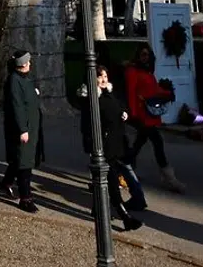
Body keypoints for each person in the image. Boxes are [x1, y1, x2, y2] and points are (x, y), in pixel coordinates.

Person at [71, 66, 144, 231]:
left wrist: (124, 112)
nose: (104, 79)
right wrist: (93, 146)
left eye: (105, 75)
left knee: (104, 179)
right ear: (92, 79)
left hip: (115, 144)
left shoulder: (108, 93)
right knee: (110, 180)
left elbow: (119, 106)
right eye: (100, 77)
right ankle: (124, 214)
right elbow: (87, 126)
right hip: (102, 147)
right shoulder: (90, 99)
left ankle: (98, 209)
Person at [122, 45, 185, 196]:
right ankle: (168, 176)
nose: (145, 57)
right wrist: (134, 114)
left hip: (150, 113)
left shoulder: (147, 71)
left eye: (147, 54)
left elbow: (154, 89)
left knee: (139, 143)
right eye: (143, 54)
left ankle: (125, 170)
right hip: (141, 114)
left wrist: (167, 94)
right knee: (157, 141)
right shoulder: (133, 71)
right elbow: (130, 93)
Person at [0, 50, 41, 213]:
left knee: (20, 160)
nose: (30, 64)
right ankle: (25, 198)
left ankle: (6, 183)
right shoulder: (14, 81)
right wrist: (22, 129)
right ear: (22, 64)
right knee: (24, 164)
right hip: (22, 128)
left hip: (30, 126)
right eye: (28, 62)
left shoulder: (24, 79)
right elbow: (17, 106)